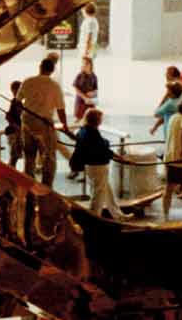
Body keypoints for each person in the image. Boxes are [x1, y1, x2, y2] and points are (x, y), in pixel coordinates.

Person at [17, 56, 68, 186]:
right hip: (44, 122)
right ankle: (47, 187)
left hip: (27, 121)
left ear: (40, 67)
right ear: (52, 70)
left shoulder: (28, 81)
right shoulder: (54, 86)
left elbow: (18, 102)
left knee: (29, 156)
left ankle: (29, 185)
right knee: (49, 157)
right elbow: (61, 109)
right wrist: (65, 125)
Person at [70, 110, 117, 219]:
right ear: (96, 120)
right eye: (101, 118)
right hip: (98, 165)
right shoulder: (92, 133)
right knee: (98, 194)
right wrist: (107, 144)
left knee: (106, 191)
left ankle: (118, 215)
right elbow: (102, 147)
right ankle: (95, 217)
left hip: (90, 165)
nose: (102, 120)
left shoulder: (82, 130)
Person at [150, 81, 182, 146]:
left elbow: (156, 114)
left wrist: (163, 100)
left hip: (170, 129)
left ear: (173, 93)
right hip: (179, 127)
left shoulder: (170, 104)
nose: (167, 93)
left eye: (168, 91)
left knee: (170, 147)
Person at [72, 56, 99, 124]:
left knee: (91, 119)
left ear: (90, 65)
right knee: (79, 119)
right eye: (83, 63)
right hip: (81, 102)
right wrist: (84, 98)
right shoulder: (80, 75)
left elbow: (96, 90)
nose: (84, 65)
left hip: (90, 102)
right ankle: (71, 133)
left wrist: (93, 93)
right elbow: (76, 89)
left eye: (86, 63)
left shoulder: (94, 76)